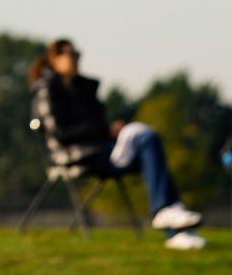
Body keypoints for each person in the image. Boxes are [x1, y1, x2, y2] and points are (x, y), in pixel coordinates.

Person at [28, 39, 205, 249]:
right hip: (77, 155)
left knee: (149, 142)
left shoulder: (85, 88)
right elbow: (60, 133)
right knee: (146, 141)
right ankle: (168, 218)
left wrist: (108, 130)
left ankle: (173, 225)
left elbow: (97, 125)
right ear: (54, 59)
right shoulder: (46, 90)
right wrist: (103, 131)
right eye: (70, 54)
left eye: (78, 54)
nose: (76, 59)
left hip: (101, 149)